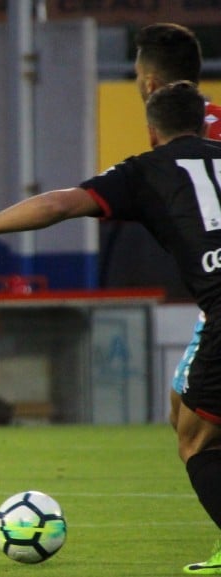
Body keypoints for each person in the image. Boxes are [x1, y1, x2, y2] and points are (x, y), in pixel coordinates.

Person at [0, 81, 221, 575]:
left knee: (196, 441)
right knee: (185, 411)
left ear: (151, 131)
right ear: (205, 121)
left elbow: (59, 205)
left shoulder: (146, 170)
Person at [130, 23, 221, 439]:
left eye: (135, 76)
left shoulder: (180, 147)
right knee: (180, 408)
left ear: (150, 83)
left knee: (191, 424)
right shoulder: (211, 123)